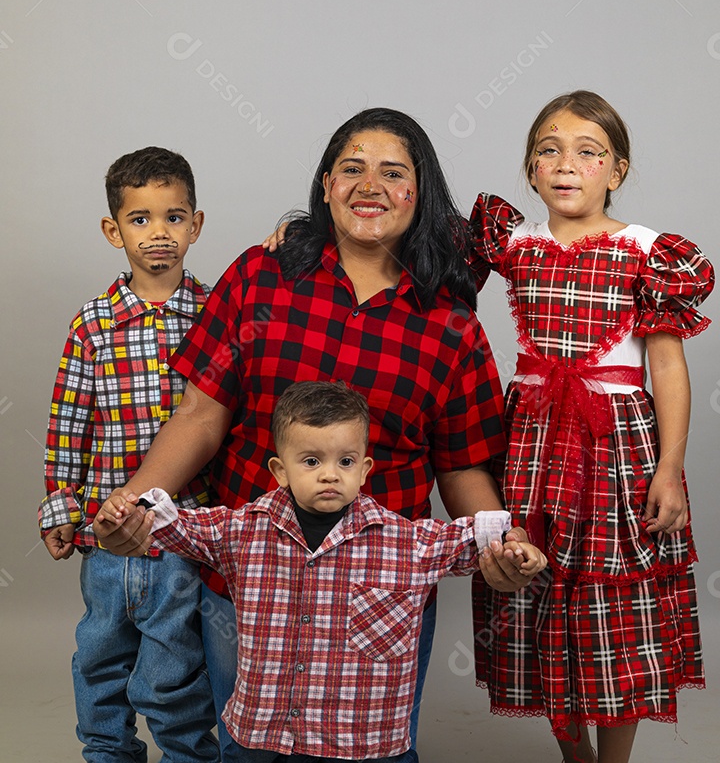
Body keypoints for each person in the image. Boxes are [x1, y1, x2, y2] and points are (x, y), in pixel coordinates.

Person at [94, 108, 545, 762]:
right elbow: (198, 416)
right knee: (249, 750)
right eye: (352, 169)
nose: (371, 185)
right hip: (251, 589)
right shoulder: (260, 276)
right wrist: (134, 502)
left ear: (421, 192)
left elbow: (464, 468)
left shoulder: (450, 325)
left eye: (394, 172)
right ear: (326, 185)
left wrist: (502, 546)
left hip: (381, 599)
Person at [104, 381, 546, 762]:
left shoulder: (407, 541)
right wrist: (126, 512)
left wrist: (517, 548)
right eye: (311, 461)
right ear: (280, 470)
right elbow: (170, 524)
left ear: (365, 468)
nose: (330, 475)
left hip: (362, 741)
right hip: (262, 735)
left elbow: (478, 538)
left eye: (345, 462)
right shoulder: (241, 531)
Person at [468, 91, 714, 763]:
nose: (566, 164)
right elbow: (411, 249)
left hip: (618, 448)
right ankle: (573, 755)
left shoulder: (648, 252)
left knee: (613, 609)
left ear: (618, 170)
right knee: (539, 591)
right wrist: (300, 231)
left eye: (587, 151)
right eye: (548, 150)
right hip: (531, 445)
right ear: (530, 169)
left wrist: (668, 470)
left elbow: (666, 369)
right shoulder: (513, 243)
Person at [39, 147, 220, 763]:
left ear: (195, 225)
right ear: (113, 230)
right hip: (104, 531)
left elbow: (232, 421)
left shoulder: (216, 315)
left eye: (173, 217)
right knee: (100, 656)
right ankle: (107, 751)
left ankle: (188, 754)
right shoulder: (92, 326)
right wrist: (60, 508)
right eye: (140, 219)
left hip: (181, 533)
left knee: (176, 662)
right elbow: (68, 426)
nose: (159, 233)